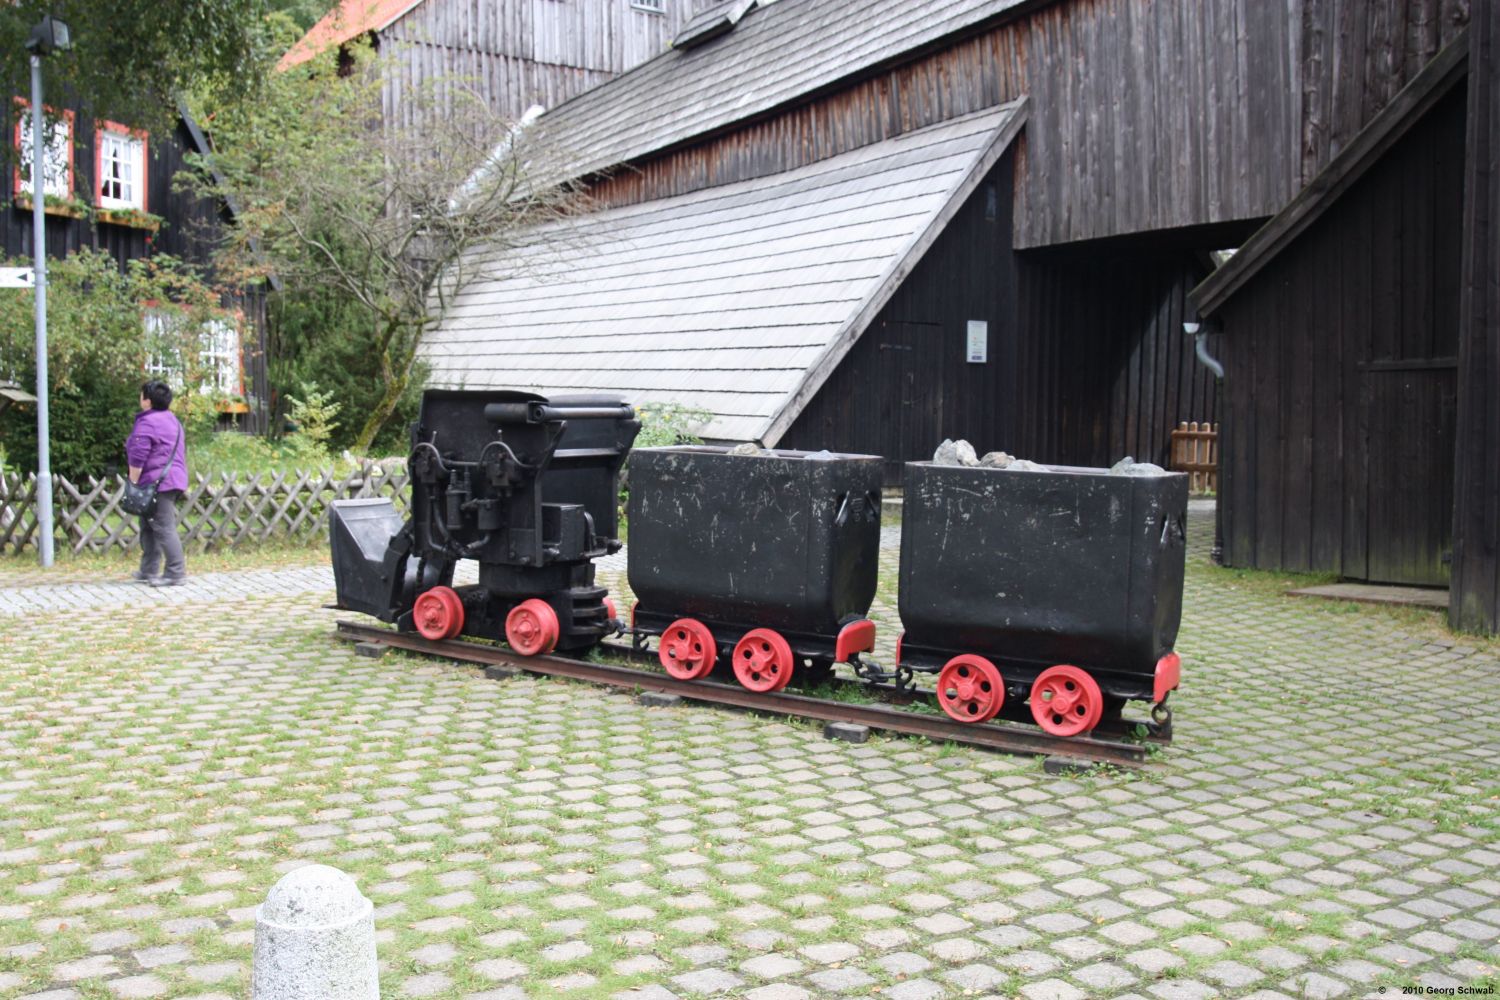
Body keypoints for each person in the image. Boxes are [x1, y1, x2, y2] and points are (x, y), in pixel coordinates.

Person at [125, 380, 189, 586]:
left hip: (158, 482)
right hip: (172, 479)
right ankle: (148, 569)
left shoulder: (147, 422)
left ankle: (175, 572)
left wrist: (133, 482)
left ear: (147, 400)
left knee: (163, 527)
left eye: (141, 394)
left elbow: (138, 454)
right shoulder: (173, 420)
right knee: (148, 525)